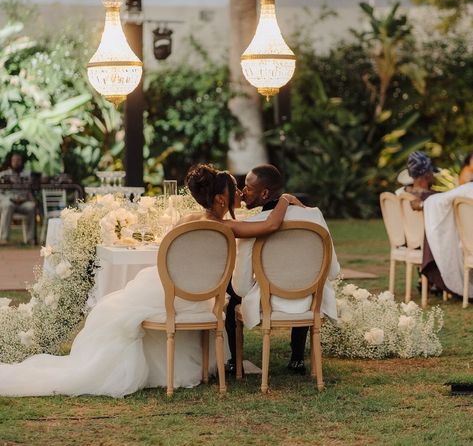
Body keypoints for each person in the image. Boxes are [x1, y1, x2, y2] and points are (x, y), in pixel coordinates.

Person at [0, 164, 302, 397]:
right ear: (222, 198)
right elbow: (273, 224)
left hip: (166, 289)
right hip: (193, 300)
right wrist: (286, 199)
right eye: (235, 189)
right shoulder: (227, 228)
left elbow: (169, 256)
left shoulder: (187, 222)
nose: (239, 193)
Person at [231, 164, 340, 376]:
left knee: (231, 293)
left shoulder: (253, 225)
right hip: (310, 299)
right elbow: (333, 270)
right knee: (302, 277)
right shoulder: (314, 216)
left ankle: (234, 363)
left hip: (269, 301)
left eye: (248, 187)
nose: (243, 191)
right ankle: (297, 358)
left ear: (264, 193)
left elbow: (242, 287)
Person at [403, 151, 449, 294]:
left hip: (408, 241)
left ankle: (427, 280)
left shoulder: (402, 193)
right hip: (428, 244)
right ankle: (443, 280)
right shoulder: (432, 198)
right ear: (427, 174)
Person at [0, 152, 36, 245]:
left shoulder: (27, 175)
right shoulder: (3, 175)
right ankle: (4, 238)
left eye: (18, 160)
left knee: (32, 206)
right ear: (10, 161)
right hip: (8, 201)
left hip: (23, 202)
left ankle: (30, 239)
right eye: (14, 160)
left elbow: (29, 191)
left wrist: (29, 199)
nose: (16, 162)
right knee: (8, 205)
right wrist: (9, 199)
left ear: (22, 162)